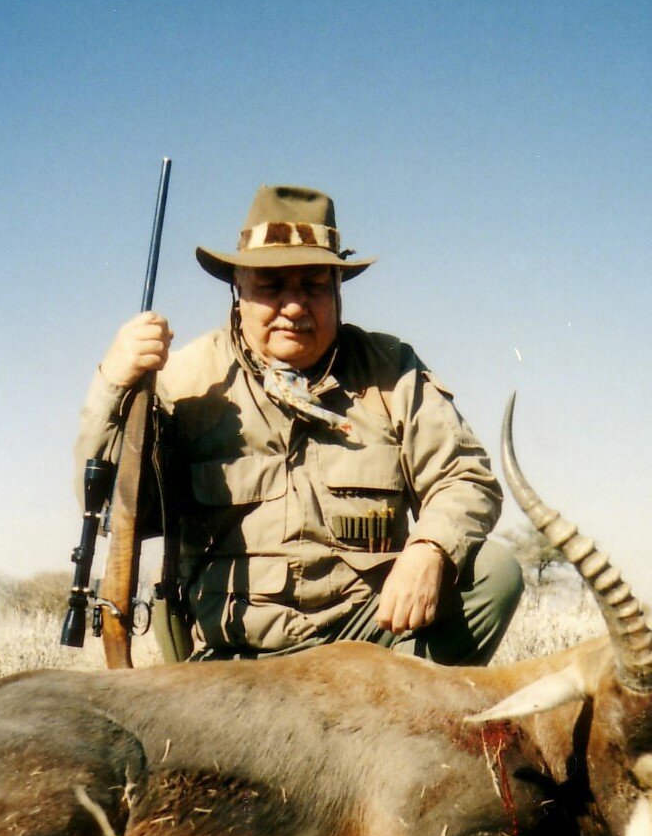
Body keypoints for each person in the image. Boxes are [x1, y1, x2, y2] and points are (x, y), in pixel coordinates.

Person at [75, 184, 521, 664]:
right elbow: (111, 508)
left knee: (494, 571)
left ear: (337, 290)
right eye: (270, 286)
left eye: (312, 285)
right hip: (235, 659)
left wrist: (430, 549)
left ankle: (408, 725)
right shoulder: (183, 379)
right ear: (238, 289)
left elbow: (464, 477)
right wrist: (112, 385)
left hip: (368, 645)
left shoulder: (391, 370)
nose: (293, 306)